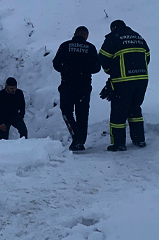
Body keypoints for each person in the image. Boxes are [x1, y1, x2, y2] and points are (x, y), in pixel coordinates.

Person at [99, 20, 150, 151]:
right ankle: (139, 139)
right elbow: (147, 56)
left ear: (113, 28)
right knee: (135, 109)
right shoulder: (138, 36)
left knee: (118, 112)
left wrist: (112, 72)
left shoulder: (113, 38)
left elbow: (103, 58)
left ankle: (118, 143)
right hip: (142, 79)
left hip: (123, 81)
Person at [52, 26, 101, 151]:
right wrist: (84, 68)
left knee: (66, 111)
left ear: (75, 34)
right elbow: (96, 68)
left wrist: (67, 68)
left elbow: (56, 63)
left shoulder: (65, 46)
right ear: (86, 35)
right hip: (84, 86)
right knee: (82, 114)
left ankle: (76, 137)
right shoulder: (90, 48)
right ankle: (80, 141)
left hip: (67, 84)